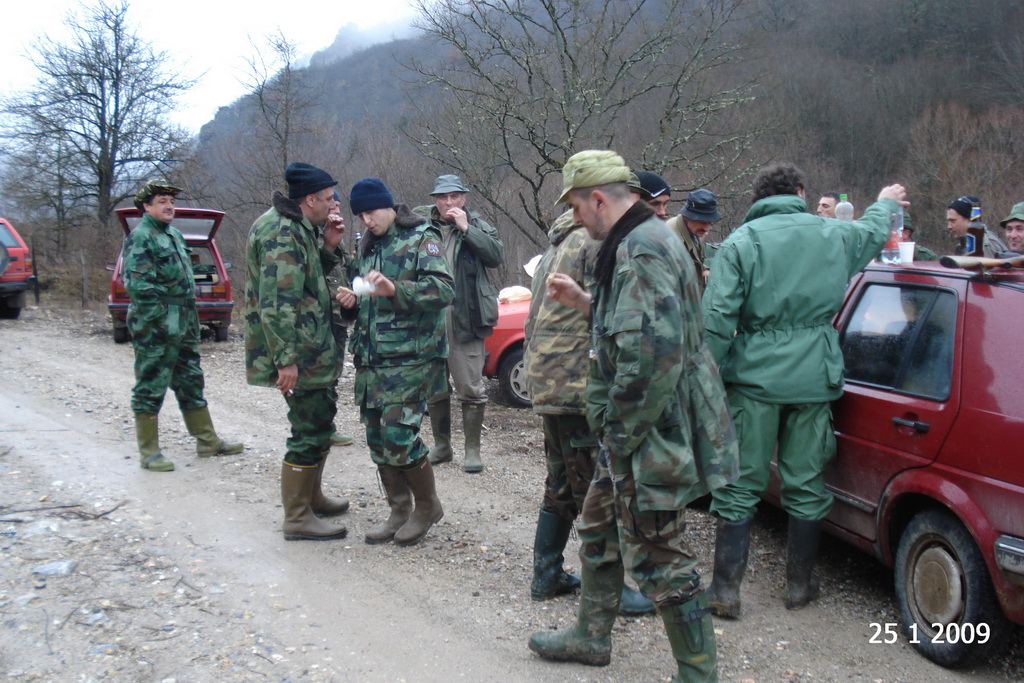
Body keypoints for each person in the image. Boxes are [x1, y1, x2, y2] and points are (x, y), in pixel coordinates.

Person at [528, 150, 739, 681]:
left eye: (578, 208)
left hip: (650, 426)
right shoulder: (639, 239)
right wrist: (587, 302)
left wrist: (618, 431)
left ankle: (698, 673)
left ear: (600, 199)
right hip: (636, 421)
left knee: (658, 550)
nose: (577, 220)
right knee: (598, 524)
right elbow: (635, 319)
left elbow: (653, 358)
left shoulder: (642, 248)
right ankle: (591, 637)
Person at [701, 163, 907, 617]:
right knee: (806, 481)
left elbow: (716, 321)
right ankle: (799, 585)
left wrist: (701, 378)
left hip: (754, 382)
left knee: (739, 484)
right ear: (799, 191)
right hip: (814, 378)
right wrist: (887, 200)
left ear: (758, 197)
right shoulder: (833, 234)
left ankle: (725, 591)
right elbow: (873, 231)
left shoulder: (740, 243)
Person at [523, 208, 654, 616]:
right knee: (595, 491)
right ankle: (608, 590)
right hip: (576, 381)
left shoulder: (557, 244)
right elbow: (612, 310)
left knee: (561, 480)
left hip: (549, 378)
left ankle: (546, 574)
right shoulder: (596, 243)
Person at [340, 178, 454, 546]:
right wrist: (353, 302)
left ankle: (427, 506)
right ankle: (398, 508)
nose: (366, 220)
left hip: (410, 358)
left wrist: (395, 289)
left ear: (388, 206)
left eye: (370, 211)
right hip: (372, 358)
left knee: (399, 435)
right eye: (360, 215)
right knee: (377, 437)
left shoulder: (422, 238)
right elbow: (368, 298)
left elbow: (443, 290)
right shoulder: (368, 246)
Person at [244, 162, 350, 541]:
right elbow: (276, 301)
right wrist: (284, 360)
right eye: (328, 198)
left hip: (312, 347)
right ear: (309, 199)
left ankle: (312, 497)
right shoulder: (282, 232)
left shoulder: (301, 228)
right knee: (307, 428)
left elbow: (306, 279)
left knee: (320, 421)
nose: (333, 203)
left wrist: (329, 247)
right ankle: (297, 517)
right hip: (299, 353)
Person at [124, 179, 243, 472]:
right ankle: (149, 453)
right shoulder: (142, 237)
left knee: (190, 378)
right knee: (151, 383)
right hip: (155, 323)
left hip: (183, 318)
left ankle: (207, 441)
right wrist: (160, 322)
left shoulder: (174, 235)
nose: (169, 206)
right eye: (162, 201)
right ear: (146, 207)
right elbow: (139, 286)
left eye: (171, 201)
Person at [413, 175, 503, 474]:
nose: (449, 203)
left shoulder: (478, 225)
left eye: (454, 197)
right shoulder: (419, 224)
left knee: (470, 385)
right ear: (434, 200)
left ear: (464, 198)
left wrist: (466, 229)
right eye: (443, 198)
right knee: (434, 385)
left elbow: (495, 256)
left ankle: (472, 450)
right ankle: (442, 445)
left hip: (465, 313)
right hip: (429, 314)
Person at [322, 189, 355, 448]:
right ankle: (321, 427)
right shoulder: (315, 235)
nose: (335, 207)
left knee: (333, 373)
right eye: (331, 203)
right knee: (321, 374)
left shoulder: (337, 236)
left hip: (339, 315)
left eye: (337, 204)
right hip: (322, 316)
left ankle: (327, 425)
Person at [666, 188, 721, 294]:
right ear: (688, 217)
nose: (706, 229)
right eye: (702, 222)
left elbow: (694, 260)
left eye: (709, 222)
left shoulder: (692, 231)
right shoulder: (672, 242)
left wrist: (704, 269)